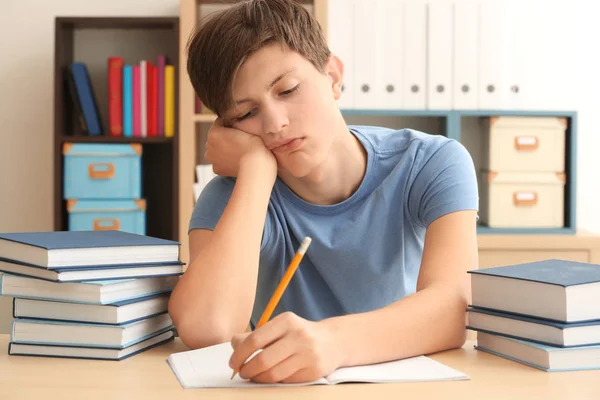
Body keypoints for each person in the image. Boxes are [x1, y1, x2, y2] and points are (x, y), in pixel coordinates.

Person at [168, 0, 479, 384]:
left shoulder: (431, 162)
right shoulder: (234, 195)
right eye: (246, 114)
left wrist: (333, 342)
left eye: (287, 90)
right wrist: (255, 171)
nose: (275, 124)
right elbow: (207, 329)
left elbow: (454, 306)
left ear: (333, 76)